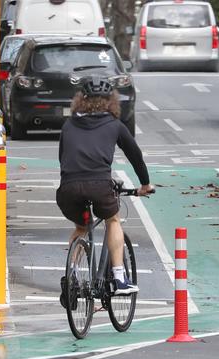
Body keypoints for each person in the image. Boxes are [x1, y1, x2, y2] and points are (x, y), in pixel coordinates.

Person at [57, 76, 154, 299]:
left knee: (81, 227)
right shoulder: (114, 125)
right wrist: (145, 184)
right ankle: (119, 277)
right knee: (113, 220)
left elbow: (63, 157)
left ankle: (71, 275)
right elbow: (135, 156)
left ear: (81, 100)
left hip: (68, 188)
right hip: (100, 186)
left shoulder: (69, 124)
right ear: (111, 101)